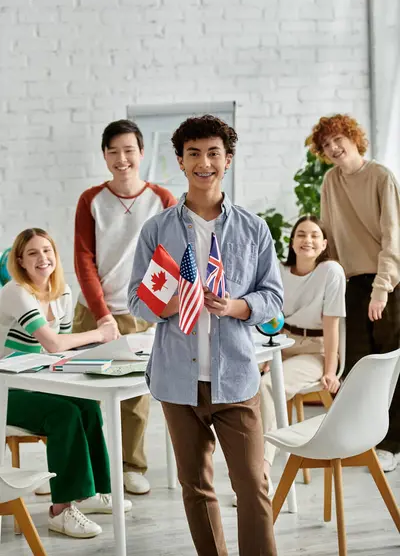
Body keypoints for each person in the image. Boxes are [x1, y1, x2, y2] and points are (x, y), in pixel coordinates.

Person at [128, 115, 282, 556]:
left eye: (213, 153)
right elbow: (138, 303)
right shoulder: (156, 230)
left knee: (252, 485)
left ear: (227, 160)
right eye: (193, 153)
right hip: (177, 381)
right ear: (180, 161)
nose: (204, 162)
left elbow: (272, 297)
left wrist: (233, 306)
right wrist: (176, 303)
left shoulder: (254, 229)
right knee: (195, 487)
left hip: (235, 378)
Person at [0, 228, 131, 538]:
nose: (42, 258)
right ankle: (60, 510)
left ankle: (97, 490)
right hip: (5, 389)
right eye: (32, 253)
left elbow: (66, 349)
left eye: (47, 251)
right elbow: (54, 345)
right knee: (64, 414)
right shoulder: (15, 292)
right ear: (20, 261)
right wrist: (102, 333)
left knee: (87, 405)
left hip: (35, 381)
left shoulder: (62, 293)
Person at [73, 119, 177, 495]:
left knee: (134, 397)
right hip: (93, 312)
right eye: (113, 151)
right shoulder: (91, 200)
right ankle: (79, 469)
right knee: (81, 393)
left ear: (141, 153)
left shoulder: (162, 199)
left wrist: (155, 307)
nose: (122, 159)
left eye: (128, 150)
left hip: (139, 313)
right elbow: (84, 259)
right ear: (104, 155)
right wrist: (101, 314)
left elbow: (171, 257)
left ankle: (131, 466)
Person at [310, 113, 400, 472]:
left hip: (386, 284)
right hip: (350, 285)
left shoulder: (380, 177)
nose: (333, 148)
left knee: (389, 367)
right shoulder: (331, 182)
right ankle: (366, 440)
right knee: (360, 367)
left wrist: (382, 288)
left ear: (353, 138)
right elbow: (328, 234)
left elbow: (393, 236)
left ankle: (392, 445)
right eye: (325, 145)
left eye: (337, 140)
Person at [259, 215, 345, 479]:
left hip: (315, 349)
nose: (307, 240)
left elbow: (332, 326)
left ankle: (261, 469)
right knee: (241, 380)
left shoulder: (331, 271)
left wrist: (330, 371)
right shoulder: (280, 271)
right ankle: (243, 456)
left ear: (324, 244)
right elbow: (269, 318)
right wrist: (264, 355)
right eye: (301, 235)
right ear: (292, 242)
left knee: (267, 386)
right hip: (281, 343)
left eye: (314, 235)